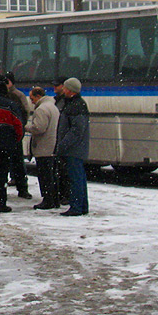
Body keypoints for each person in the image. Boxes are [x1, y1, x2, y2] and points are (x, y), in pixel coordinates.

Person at [55, 77, 90, 216]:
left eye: (65, 87)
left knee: (75, 178)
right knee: (79, 177)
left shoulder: (75, 106)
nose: (62, 89)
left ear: (70, 90)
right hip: (76, 148)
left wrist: (62, 144)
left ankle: (76, 207)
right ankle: (82, 206)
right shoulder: (76, 104)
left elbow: (76, 130)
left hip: (73, 149)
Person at [0, 75, 25, 213]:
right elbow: (19, 127)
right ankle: (1, 203)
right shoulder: (11, 105)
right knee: (2, 175)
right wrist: (14, 142)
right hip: (5, 147)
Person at [26, 86, 61, 210]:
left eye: (32, 98)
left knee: (44, 176)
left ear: (38, 96)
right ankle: (54, 200)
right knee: (52, 175)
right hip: (52, 146)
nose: (32, 101)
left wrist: (28, 127)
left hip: (43, 146)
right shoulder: (53, 107)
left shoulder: (41, 109)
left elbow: (39, 128)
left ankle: (47, 200)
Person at [4, 71, 33, 199]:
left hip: (12, 134)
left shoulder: (17, 95)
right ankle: (21, 187)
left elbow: (24, 113)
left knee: (16, 162)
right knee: (15, 161)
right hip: (13, 134)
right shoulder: (11, 96)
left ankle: (20, 186)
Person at [52, 76, 71, 205]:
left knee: (64, 171)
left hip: (64, 141)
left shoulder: (66, 103)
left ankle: (65, 195)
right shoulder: (58, 101)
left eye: (58, 85)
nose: (55, 88)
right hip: (60, 139)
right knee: (60, 170)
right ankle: (62, 194)